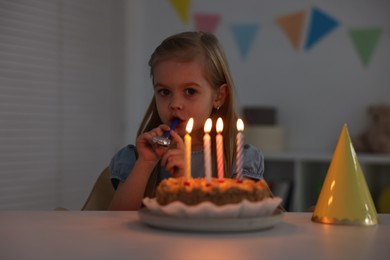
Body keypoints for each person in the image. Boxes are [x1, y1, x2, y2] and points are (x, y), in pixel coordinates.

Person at [108, 31, 264, 210]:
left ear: (219, 96)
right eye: (164, 92)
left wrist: (185, 183)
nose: (175, 104)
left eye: (190, 91)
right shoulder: (136, 158)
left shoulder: (239, 160)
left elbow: (241, 222)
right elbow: (116, 222)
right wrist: (145, 164)